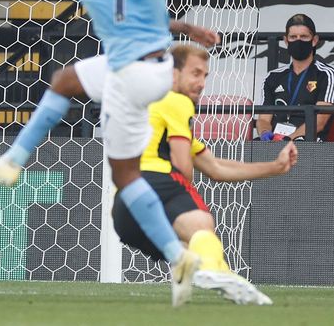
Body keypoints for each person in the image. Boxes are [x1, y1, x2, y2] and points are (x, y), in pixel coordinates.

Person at [0, 0, 261, 306]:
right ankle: (12, 162)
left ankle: (178, 257)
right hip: (151, 68)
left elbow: (119, 14)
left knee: (125, 178)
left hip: (129, 73)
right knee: (64, 80)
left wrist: (182, 27)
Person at [113, 44, 294, 305]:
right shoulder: (176, 100)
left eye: (205, 76)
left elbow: (215, 167)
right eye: (195, 73)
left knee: (194, 241)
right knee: (202, 224)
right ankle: (214, 272)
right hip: (155, 180)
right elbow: (183, 165)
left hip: (124, 209)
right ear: (173, 73)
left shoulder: (152, 105)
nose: (201, 83)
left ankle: (210, 278)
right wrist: (186, 196)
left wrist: (274, 167)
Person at [256, 14, 334, 142]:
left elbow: (319, 122)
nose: (298, 41)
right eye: (293, 37)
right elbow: (263, 119)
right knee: (250, 151)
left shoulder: (327, 74)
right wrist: (265, 133)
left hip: (310, 144)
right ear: (286, 41)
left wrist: (288, 139)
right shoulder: (272, 76)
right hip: (274, 143)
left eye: (303, 37)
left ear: (314, 40)